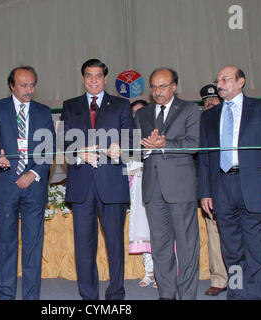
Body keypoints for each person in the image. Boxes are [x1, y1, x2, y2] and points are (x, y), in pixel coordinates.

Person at [198, 66, 261, 300]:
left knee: (259, 251)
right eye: (218, 80)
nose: (220, 84)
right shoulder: (208, 116)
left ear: (241, 82)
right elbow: (205, 158)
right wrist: (205, 192)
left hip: (255, 187)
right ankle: (238, 295)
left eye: (225, 79)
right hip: (222, 189)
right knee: (232, 250)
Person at [61, 58, 135, 300]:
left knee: (114, 244)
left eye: (98, 76)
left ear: (105, 78)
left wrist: (120, 148)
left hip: (111, 183)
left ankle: (115, 294)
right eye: (89, 76)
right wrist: (77, 153)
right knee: (84, 246)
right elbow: (63, 143)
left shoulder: (122, 105)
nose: (94, 80)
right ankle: (88, 296)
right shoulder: (70, 105)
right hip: (82, 184)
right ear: (83, 78)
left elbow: (131, 142)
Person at [0, 66, 55, 300]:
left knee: (33, 246)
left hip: (33, 186)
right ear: (12, 86)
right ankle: (4, 294)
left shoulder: (43, 112)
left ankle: (31, 296)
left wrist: (33, 173)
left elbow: (48, 149)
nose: (29, 90)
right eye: (24, 85)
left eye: (33, 84)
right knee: (6, 243)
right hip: (6, 185)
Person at [135, 68, 201, 300]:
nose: (157, 91)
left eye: (162, 86)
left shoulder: (190, 109)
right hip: (153, 190)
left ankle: (188, 295)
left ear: (174, 86)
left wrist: (164, 144)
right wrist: (144, 148)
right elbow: (136, 149)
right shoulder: (142, 114)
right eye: (153, 87)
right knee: (161, 247)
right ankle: (167, 294)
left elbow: (194, 144)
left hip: (180, 189)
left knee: (187, 248)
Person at [198, 84, 228, 296]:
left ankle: (240, 278)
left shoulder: (234, 119)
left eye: (214, 99)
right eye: (206, 101)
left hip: (237, 185)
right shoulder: (201, 123)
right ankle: (219, 279)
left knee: (239, 235)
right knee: (215, 234)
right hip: (211, 187)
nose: (210, 103)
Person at [127, 100, 156, 288]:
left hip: (157, 188)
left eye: (141, 112)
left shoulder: (156, 133)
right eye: (134, 114)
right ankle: (149, 271)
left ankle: (165, 271)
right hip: (137, 190)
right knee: (143, 229)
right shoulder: (128, 138)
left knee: (160, 231)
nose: (138, 117)